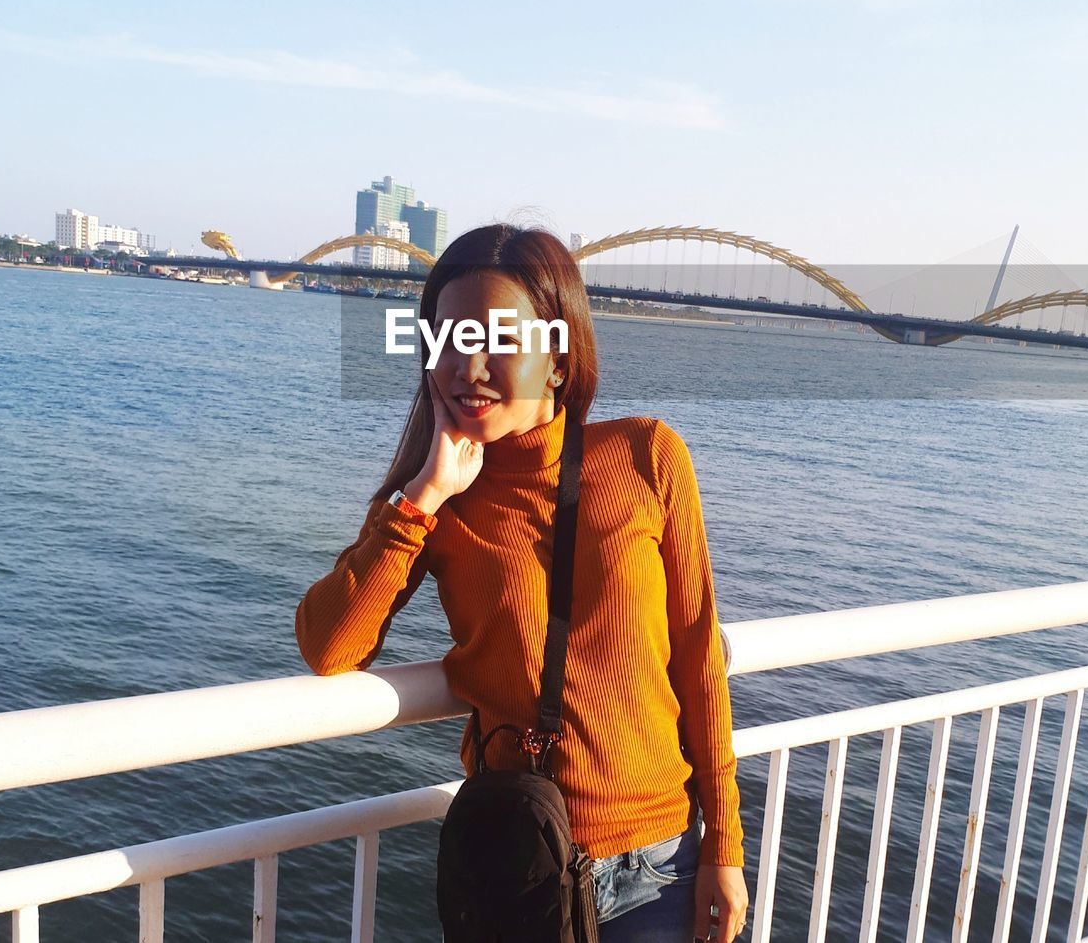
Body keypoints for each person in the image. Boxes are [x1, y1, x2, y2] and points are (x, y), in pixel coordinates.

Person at [296, 223, 750, 942]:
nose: (468, 364)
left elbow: (699, 658)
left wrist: (725, 841)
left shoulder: (647, 456)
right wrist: (422, 495)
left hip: (660, 870)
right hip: (521, 871)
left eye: (498, 339)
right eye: (448, 339)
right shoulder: (441, 502)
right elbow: (329, 645)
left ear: (559, 355)